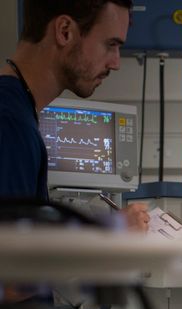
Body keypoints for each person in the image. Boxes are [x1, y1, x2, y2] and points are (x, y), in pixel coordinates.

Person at [0, 0, 148, 231]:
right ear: (65, 31)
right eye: (110, 44)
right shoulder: (10, 123)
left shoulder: (17, 109)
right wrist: (113, 231)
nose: (116, 62)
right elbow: (13, 255)